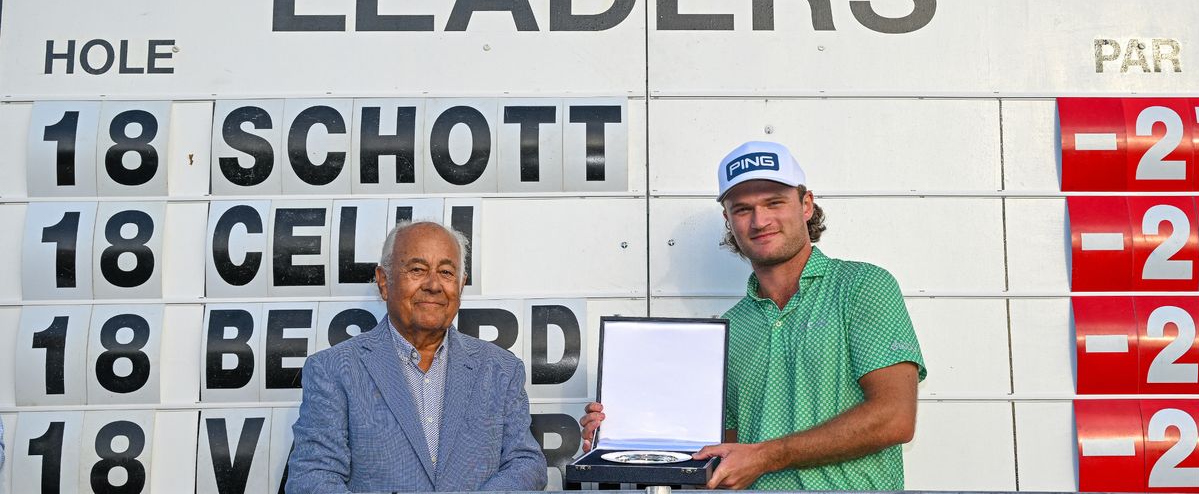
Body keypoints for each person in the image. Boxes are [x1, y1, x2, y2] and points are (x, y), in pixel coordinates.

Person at [581, 141, 926, 490]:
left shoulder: (861, 286)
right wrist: (626, 435)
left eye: (774, 202)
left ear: (806, 205)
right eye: (743, 209)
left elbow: (894, 418)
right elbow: (719, 453)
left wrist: (765, 455)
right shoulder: (730, 328)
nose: (760, 221)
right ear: (728, 221)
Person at [287, 220, 547, 493]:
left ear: (461, 286)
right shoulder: (333, 369)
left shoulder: (502, 369)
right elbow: (312, 477)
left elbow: (525, 462)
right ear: (384, 281)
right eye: (418, 270)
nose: (434, 285)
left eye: (446, 272)